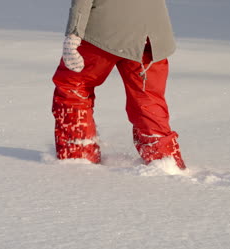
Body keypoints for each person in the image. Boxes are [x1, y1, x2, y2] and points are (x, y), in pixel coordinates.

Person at [51, 0, 186, 169]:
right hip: (152, 37)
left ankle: (78, 153)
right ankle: (165, 160)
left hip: (104, 33)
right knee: (148, 100)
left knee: (73, 85)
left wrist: (73, 34)